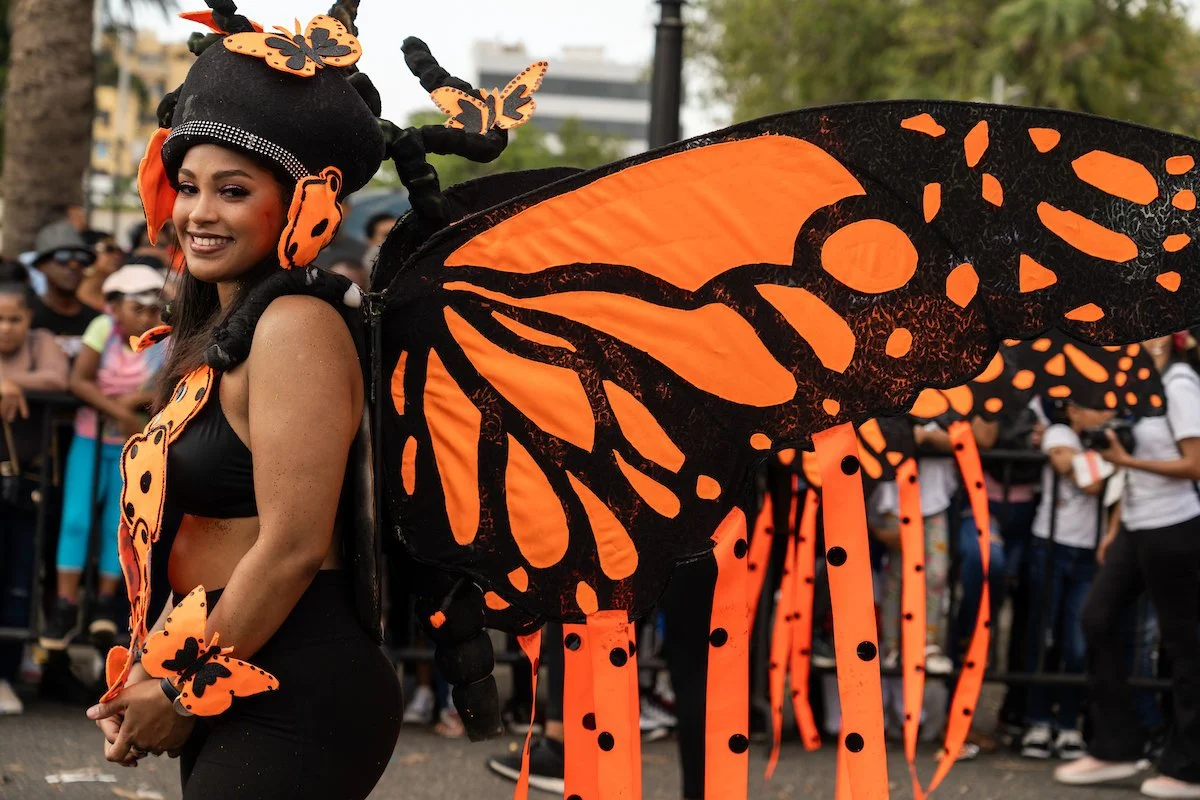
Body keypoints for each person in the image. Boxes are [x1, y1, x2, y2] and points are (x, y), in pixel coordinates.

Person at [84, 9, 401, 798]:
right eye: (187, 186)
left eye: (233, 190)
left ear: (301, 205)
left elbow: (293, 546)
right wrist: (153, 677)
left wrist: (183, 688)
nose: (199, 213)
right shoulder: (224, 329)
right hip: (232, 658)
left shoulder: (296, 326)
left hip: (295, 683)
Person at [1056, 334, 1200, 798]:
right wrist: (1117, 525)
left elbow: (1195, 464)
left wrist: (1125, 460)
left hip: (1176, 528)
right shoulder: (1140, 386)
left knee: (1183, 646)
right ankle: (1116, 748)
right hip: (1137, 526)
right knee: (1096, 619)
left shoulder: (1178, 384)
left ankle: (1188, 768)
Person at [39, 264, 167, 650]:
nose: (146, 316)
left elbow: (166, 384)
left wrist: (133, 403)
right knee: (76, 519)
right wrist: (120, 412)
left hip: (135, 447)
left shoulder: (163, 338)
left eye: (153, 308)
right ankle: (65, 602)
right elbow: (80, 379)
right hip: (90, 439)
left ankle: (106, 603)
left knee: (122, 524)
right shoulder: (101, 330)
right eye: (137, 307)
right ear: (114, 305)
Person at [1018, 400, 1109, 761]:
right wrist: (1107, 461)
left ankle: (1069, 723)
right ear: (1073, 410)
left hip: (1088, 552)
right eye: (1096, 406)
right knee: (1044, 636)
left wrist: (1091, 463)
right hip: (1050, 546)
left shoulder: (1106, 439)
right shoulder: (1059, 432)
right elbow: (1081, 476)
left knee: (1076, 642)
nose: (1104, 412)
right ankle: (1037, 721)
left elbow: (1087, 478)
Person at [0, 262, 69, 714]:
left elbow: (57, 380)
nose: (6, 328)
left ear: (29, 320)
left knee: (20, 580)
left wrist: (8, 382)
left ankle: (5, 675)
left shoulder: (43, 345)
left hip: (26, 486)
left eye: (15, 319)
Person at [29, 221, 100, 358]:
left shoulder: (96, 321)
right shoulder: (24, 317)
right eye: (63, 257)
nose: (74, 265)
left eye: (82, 259)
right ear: (40, 266)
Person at [76, 232, 127, 312]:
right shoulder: (75, 284)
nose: (117, 255)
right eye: (109, 249)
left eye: (119, 250)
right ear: (91, 253)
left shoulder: (122, 287)